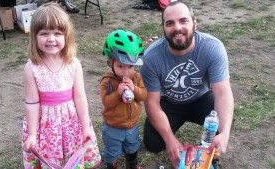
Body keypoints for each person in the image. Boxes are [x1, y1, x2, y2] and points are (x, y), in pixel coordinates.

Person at [140, 1, 234, 168]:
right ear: (163, 28)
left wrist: (225, 133)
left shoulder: (213, 47)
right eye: (170, 23)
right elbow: (151, 102)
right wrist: (170, 139)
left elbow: (222, 93)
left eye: (183, 21)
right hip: (170, 102)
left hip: (202, 99)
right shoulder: (151, 57)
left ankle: (212, 154)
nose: (177, 27)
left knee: (224, 122)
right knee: (153, 143)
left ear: (194, 23)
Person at [21, 3, 101, 168]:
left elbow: (79, 96)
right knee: (50, 159)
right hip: (45, 126)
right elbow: (32, 102)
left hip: (70, 122)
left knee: (72, 157)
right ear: (34, 36)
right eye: (44, 33)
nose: (51, 39)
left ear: (67, 37)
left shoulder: (74, 64)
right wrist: (32, 134)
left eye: (57, 33)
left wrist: (85, 126)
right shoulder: (31, 67)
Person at [100, 29, 147, 169]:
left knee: (132, 147)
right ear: (110, 63)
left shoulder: (136, 78)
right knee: (112, 150)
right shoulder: (107, 81)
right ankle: (111, 164)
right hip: (113, 127)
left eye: (130, 66)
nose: (126, 71)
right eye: (120, 66)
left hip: (132, 125)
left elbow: (144, 96)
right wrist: (117, 93)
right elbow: (106, 103)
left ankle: (131, 164)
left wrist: (134, 89)